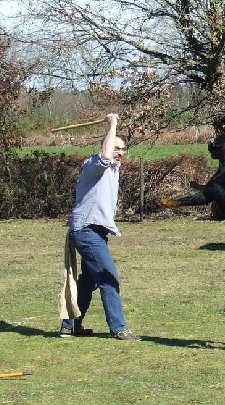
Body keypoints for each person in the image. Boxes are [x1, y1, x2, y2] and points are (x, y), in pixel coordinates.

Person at [59, 113, 141, 341]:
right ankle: (119, 328)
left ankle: (70, 325)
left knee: (89, 279)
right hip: (86, 231)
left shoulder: (114, 170)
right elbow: (105, 156)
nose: (119, 153)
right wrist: (112, 125)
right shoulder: (95, 165)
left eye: (123, 149)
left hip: (96, 232)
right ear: (105, 146)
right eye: (116, 147)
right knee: (108, 277)